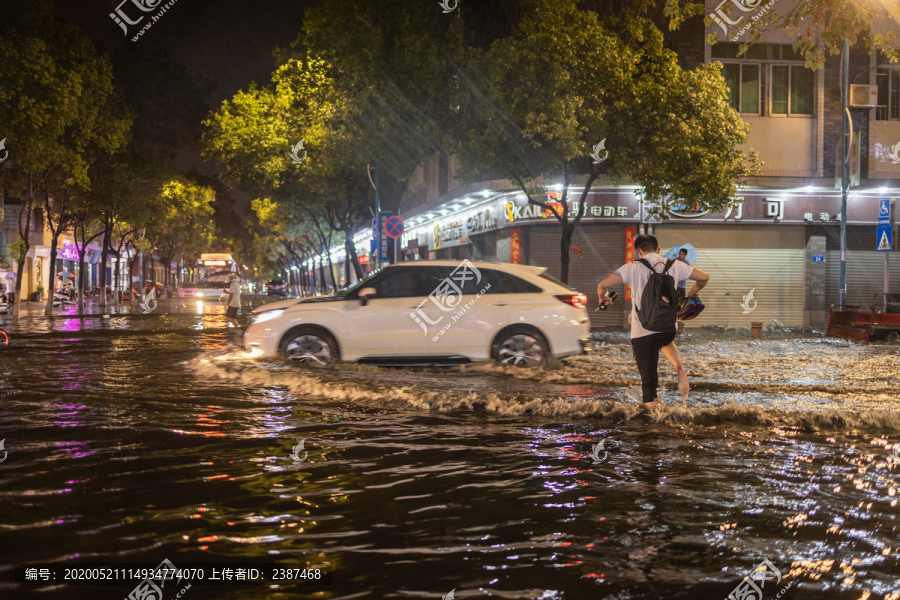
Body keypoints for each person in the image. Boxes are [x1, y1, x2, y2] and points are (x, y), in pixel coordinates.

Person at [597, 235, 709, 410]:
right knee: (663, 341)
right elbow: (704, 277)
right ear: (658, 250)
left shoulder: (632, 267)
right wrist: (694, 292)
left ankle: (650, 421)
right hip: (667, 329)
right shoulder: (675, 265)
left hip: (642, 333)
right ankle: (680, 369)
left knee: (648, 382)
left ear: (639, 251)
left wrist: (603, 297)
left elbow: (603, 284)